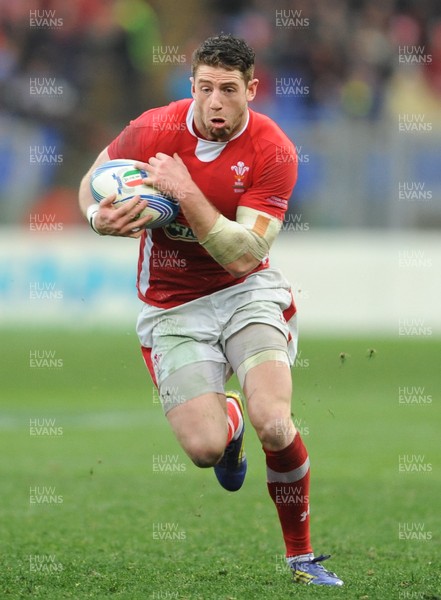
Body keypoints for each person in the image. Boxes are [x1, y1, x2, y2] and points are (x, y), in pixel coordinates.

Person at [78, 34, 343, 587]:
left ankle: (302, 557)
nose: (214, 102)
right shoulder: (153, 128)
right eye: (204, 89)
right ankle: (229, 421)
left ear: (250, 89)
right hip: (171, 305)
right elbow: (93, 178)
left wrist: (186, 192)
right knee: (204, 450)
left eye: (228, 90)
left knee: (276, 420)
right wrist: (95, 218)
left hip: (246, 291)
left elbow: (245, 253)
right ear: (191, 86)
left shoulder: (273, 149)